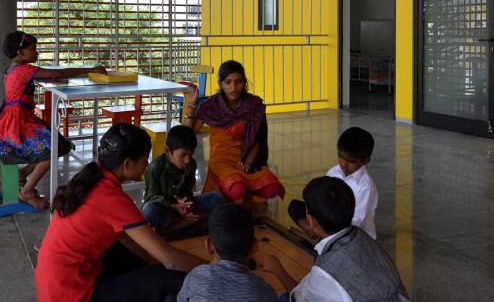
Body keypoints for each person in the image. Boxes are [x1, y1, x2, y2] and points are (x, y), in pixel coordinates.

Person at [34, 123, 205, 302]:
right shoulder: (112, 198)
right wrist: (211, 268)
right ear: (127, 164)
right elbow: (171, 260)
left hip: (54, 298)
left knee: (136, 259)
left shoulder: (93, 177)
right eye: (144, 161)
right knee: (168, 278)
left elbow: (125, 237)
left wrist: (150, 257)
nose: (146, 167)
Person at [262, 176, 417, 302]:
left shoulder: (327, 270)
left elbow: (300, 298)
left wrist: (277, 268)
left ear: (311, 221)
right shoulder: (361, 235)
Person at [0, 31, 104, 209]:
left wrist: (52, 78)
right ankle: (27, 190)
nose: (37, 53)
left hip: (16, 120)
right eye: (34, 49)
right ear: (20, 52)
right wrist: (90, 69)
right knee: (52, 148)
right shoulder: (24, 70)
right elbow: (58, 73)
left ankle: (24, 174)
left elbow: (36, 80)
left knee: (61, 145)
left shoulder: (12, 69)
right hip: (17, 125)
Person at [181, 60, 284, 207]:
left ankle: (243, 186)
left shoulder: (253, 106)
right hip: (221, 159)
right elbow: (186, 136)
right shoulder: (212, 105)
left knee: (272, 188)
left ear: (244, 82)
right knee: (237, 189)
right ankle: (236, 193)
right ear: (220, 83)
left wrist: (248, 163)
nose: (233, 87)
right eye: (228, 82)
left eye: (238, 82)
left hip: (246, 159)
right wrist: (191, 104)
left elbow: (257, 139)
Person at [288, 127, 379, 241]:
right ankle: (315, 235)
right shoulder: (333, 172)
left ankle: (317, 239)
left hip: (353, 234)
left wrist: (322, 227)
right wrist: (315, 223)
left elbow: (355, 223)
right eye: (340, 157)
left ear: (365, 161)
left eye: (351, 161)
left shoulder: (366, 187)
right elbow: (323, 200)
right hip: (331, 222)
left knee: (346, 236)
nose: (343, 164)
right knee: (295, 207)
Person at [141, 125, 226, 234]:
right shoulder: (155, 167)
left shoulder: (191, 164)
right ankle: (187, 223)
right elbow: (151, 197)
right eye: (183, 155)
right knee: (149, 210)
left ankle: (173, 227)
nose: (187, 160)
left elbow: (187, 191)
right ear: (167, 150)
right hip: (166, 209)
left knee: (216, 198)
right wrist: (174, 206)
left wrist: (184, 204)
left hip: (183, 208)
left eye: (190, 154)